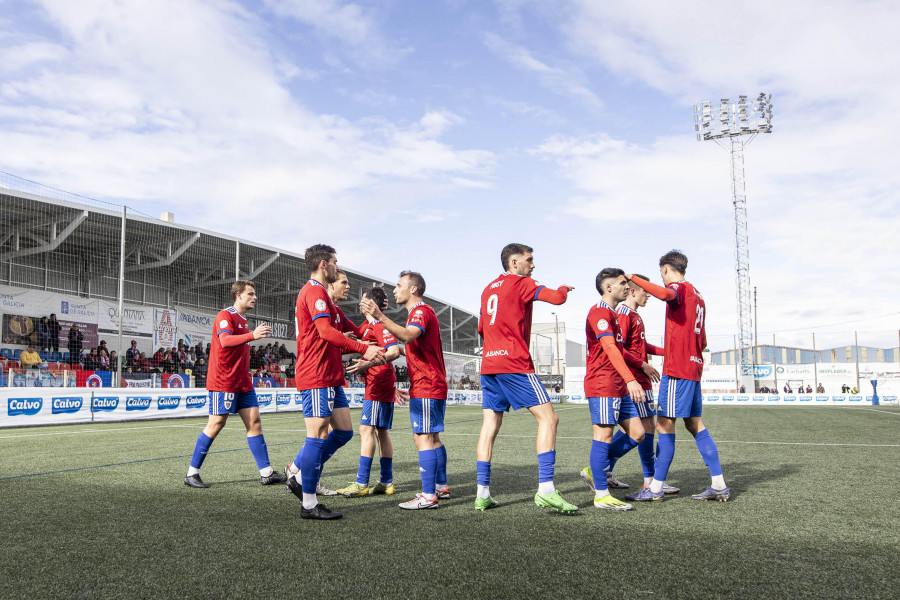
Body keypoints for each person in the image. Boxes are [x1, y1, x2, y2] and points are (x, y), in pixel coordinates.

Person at [472, 243, 577, 513]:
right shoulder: (521, 282)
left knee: (489, 427)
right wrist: (564, 288)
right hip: (513, 362)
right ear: (514, 263)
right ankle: (546, 490)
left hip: (490, 364)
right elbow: (557, 299)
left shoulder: (488, 289)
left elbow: (482, 328)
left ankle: (482, 494)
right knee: (549, 418)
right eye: (529, 260)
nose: (533, 265)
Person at [285, 244, 384, 520]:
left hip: (330, 375)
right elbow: (326, 332)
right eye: (335, 264)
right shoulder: (314, 292)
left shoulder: (325, 299)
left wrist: (375, 318)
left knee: (342, 432)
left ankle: (299, 471)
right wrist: (364, 349)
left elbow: (349, 333)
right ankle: (308, 502)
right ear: (323, 265)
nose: (338, 268)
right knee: (316, 435)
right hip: (316, 374)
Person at [628, 250, 730, 502]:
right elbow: (703, 339)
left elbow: (666, 294)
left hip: (678, 370)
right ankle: (718, 485)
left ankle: (654, 489)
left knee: (663, 424)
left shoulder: (678, 288)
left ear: (665, 269)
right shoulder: (698, 295)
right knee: (694, 424)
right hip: (694, 368)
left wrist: (633, 277)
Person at [184, 280, 286, 489]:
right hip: (224, 381)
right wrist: (252, 335)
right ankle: (192, 473)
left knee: (254, 422)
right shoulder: (226, 315)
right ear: (238, 295)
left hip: (243, 382)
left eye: (254, 294)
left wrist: (250, 335)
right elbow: (225, 341)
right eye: (250, 294)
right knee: (216, 424)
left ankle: (266, 473)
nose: (254, 297)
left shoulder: (243, 319)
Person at [361, 270, 448, 510]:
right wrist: (370, 361)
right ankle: (441, 487)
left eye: (399, 285)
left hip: (427, 384)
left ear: (413, 289)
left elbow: (408, 337)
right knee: (433, 438)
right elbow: (400, 348)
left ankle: (429, 496)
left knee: (423, 438)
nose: (395, 290)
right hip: (431, 383)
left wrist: (379, 316)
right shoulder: (418, 313)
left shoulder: (420, 311)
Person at [576, 268, 647, 511]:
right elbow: (609, 347)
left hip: (618, 382)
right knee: (603, 436)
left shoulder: (614, 315)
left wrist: (641, 365)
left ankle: (594, 470)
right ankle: (602, 495)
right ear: (608, 287)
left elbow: (621, 350)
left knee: (637, 433)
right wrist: (631, 379)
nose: (627, 286)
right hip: (603, 382)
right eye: (622, 283)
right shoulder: (599, 312)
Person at [603, 275, 680, 497]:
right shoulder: (624, 315)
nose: (649, 295)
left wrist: (669, 352)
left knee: (642, 428)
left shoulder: (634, 315)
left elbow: (641, 344)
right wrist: (643, 365)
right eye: (646, 292)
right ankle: (648, 479)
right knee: (646, 429)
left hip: (641, 379)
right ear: (634, 291)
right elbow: (619, 349)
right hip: (635, 379)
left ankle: (643, 477)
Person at [338, 287, 402, 497]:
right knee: (380, 431)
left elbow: (393, 351)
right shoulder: (366, 325)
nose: (360, 302)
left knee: (366, 430)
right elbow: (353, 342)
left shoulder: (376, 324)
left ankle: (361, 483)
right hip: (379, 381)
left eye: (363, 299)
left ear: (368, 303)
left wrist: (367, 364)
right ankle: (386, 482)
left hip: (378, 382)